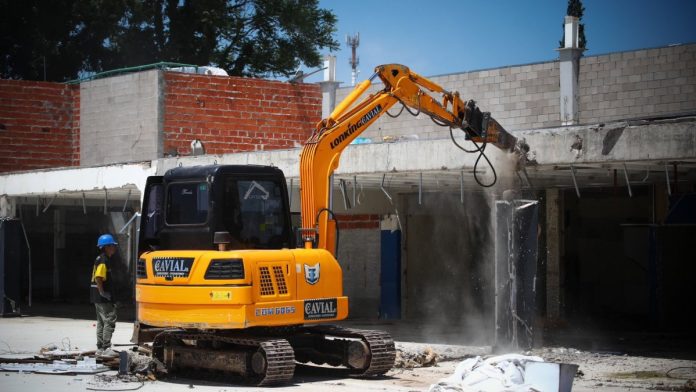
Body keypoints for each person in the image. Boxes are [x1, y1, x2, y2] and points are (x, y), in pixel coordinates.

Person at [90, 234, 119, 356]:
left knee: (101, 322)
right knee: (109, 319)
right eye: (113, 245)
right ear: (106, 247)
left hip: (97, 296)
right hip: (102, 296)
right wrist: (103, 293)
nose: (114, 248)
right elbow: (99, 277)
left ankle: (100, 348)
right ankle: (106, 348)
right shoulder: (103, 260)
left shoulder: (99, 258)